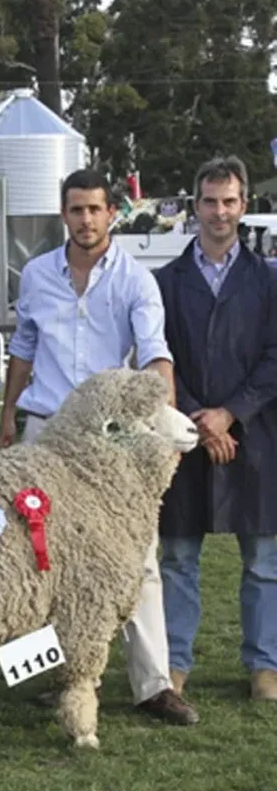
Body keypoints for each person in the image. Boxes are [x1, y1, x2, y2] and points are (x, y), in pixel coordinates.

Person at [0, 166, 197, 726]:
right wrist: (9, 415)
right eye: (76, 209)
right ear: (63, 214)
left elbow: (156, 359)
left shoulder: (137, 279)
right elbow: (24, 348)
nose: (86, 219)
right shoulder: (36, 274)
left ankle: (153, 685)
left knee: (139, 560)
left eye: (95, 209)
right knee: (37, 559)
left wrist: (166, 431)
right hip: (46, 431)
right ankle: (52, 677)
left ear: (112, 213)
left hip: (114, 445)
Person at [154, 156, 277, 703]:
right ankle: (173, 665)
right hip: (184, 436)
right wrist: (203, 416)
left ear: (243, 205)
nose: (219, 211)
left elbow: (275, 358)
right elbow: (162, 359)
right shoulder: (164, 282)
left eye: (229, 201)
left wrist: (232, 413)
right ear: (195, 206)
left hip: (256, 437)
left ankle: (265, 666)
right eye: (209, 201)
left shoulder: (269, 282)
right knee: (178, 558)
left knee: (265, 561)